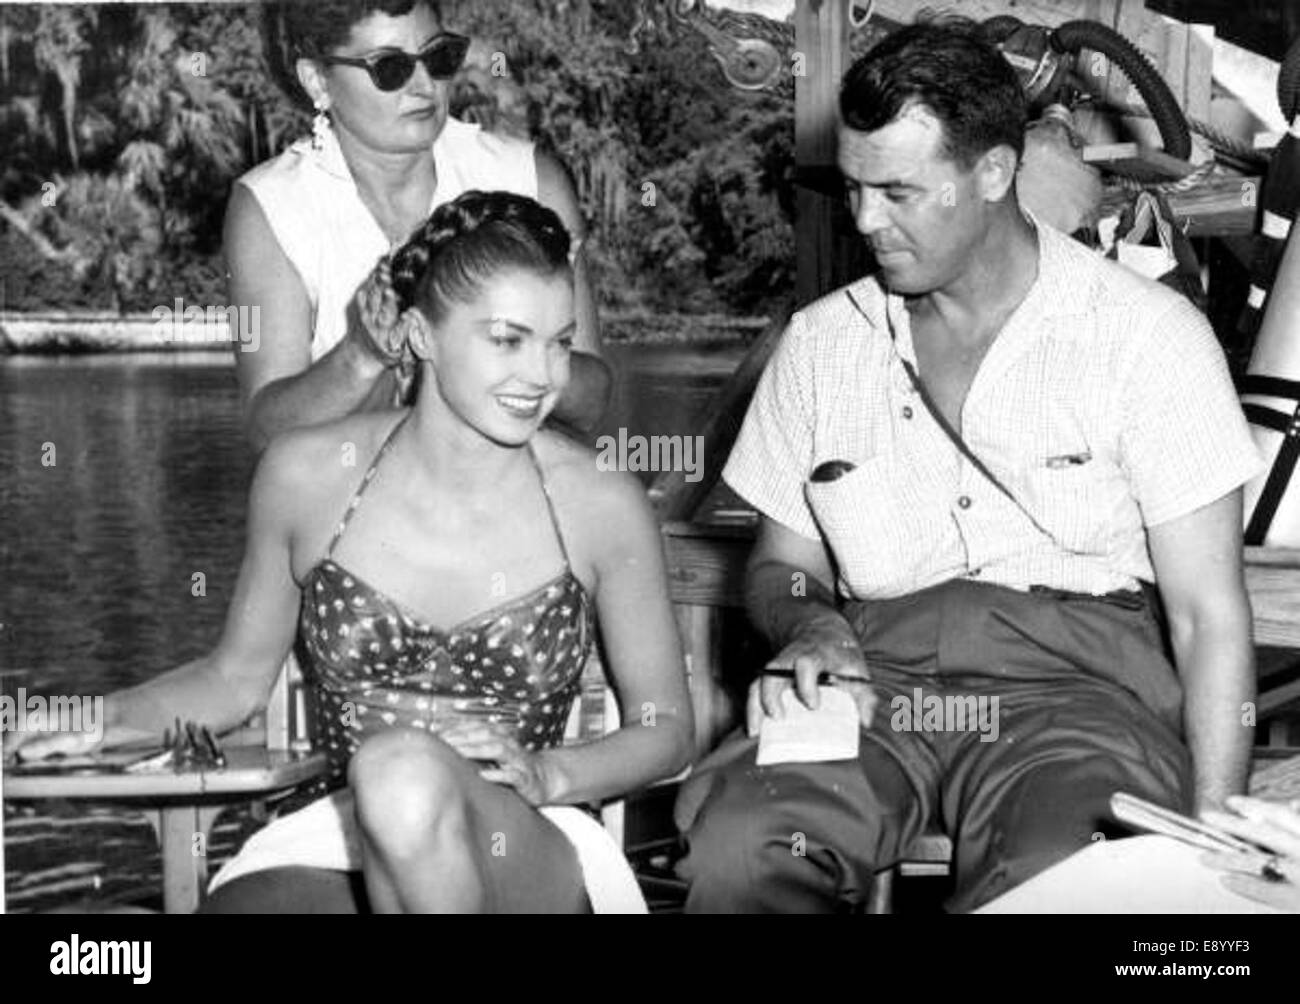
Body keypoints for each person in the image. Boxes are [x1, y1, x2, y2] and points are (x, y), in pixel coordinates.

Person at [673, 18, 1263, 913]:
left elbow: (1208, 617)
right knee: (740, 848)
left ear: (993, 173)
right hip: (881, 690)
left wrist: (1217, 849)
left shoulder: (1146, 339)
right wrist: (811, 628)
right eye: (854, 189)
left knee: (1073, 877)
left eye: (900, 192)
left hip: (1075, 699)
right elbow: (782, 568)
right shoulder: (823, 345)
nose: (866, 221)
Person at [7, 191, 692, 913]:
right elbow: (234, 681)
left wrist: (548, 775)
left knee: (399, 771)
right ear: (421, 335)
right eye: (508, 339)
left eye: (561, 341)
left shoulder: (601, 501)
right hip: (334, 833)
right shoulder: (306, 475)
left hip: (527, 837)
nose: (544, 375)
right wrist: (98, 716)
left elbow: (667, 730)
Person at [226, 0, 611, 450]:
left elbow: (593, 401)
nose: (424, 85)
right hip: (353, 503)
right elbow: (264, 429)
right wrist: (360, 356)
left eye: (438, 57)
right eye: (389, 68)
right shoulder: (268, 207)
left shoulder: (531, 179)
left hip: (515, 499)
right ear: (317, 80)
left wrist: (499, 341)